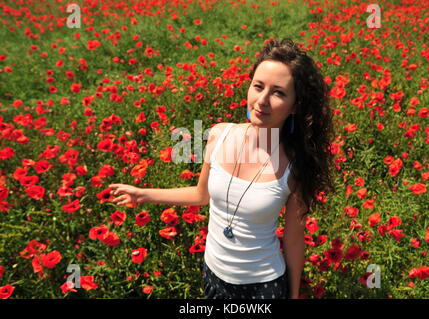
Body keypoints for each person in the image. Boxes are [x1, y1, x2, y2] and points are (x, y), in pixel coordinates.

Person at [108, 38, 335, 299]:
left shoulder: (294, 166)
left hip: (263, 287)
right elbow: (201, 195)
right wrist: (143, 194)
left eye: (278, 92)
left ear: (295, 105)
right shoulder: (219, 135)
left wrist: (293, 296)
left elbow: (294, 240)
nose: (262, 101)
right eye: (258, 86)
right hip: (213, 275)